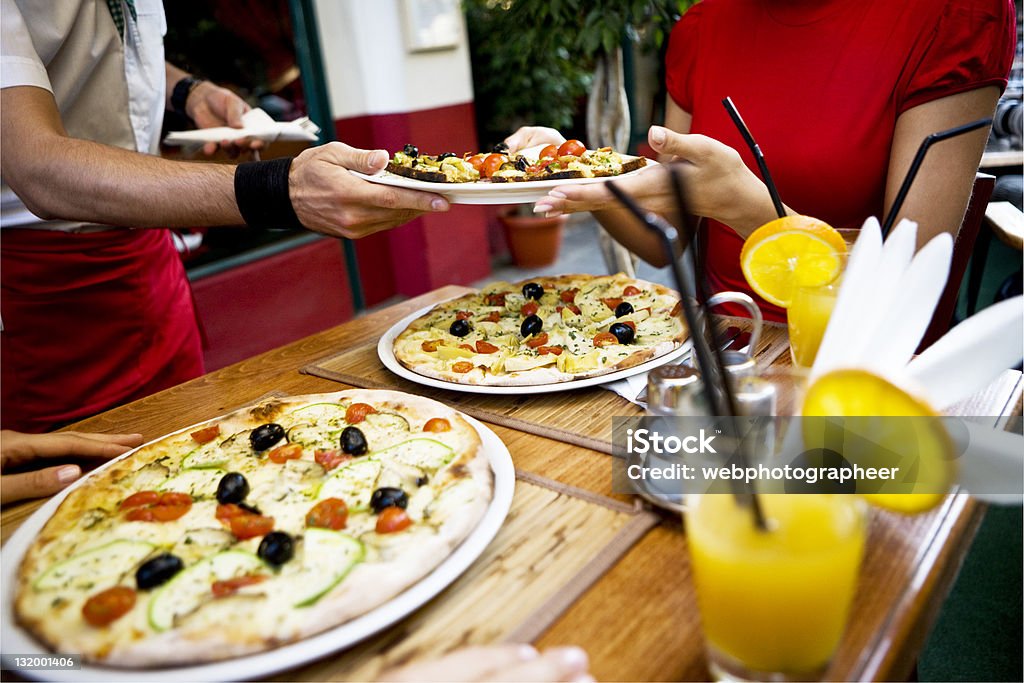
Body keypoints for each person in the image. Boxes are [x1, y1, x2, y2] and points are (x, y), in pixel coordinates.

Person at [1, 0, 450, 433]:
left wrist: (189, 92)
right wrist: (279, 190)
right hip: (42, 289)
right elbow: (37, 169)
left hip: (152, 259)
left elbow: (107, 49)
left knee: (186, 437)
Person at [516, 0, 1016, 322]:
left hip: (855, 367)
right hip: (724, 351)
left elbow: (908, 284)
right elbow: (660, 237)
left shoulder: (956, 12)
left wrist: (751, 211)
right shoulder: (701, 25)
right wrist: (579, 173)